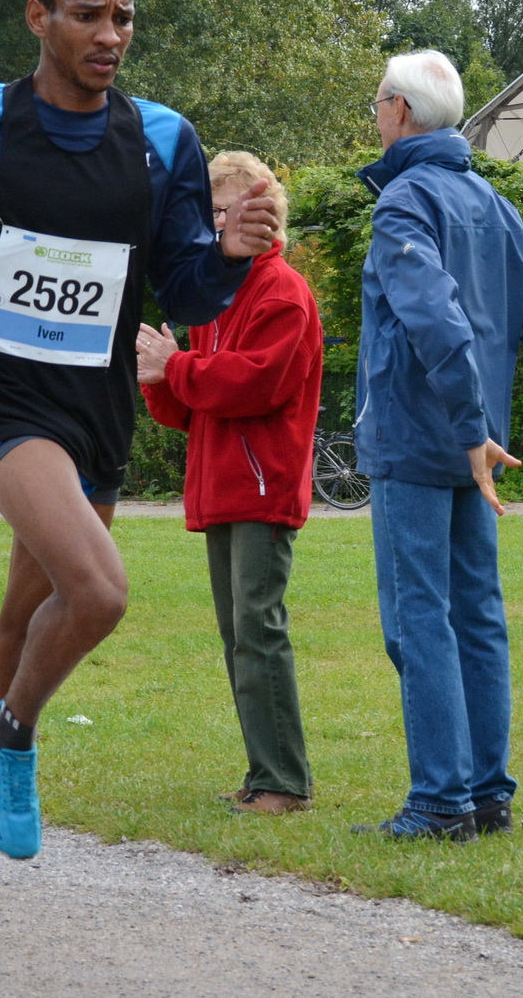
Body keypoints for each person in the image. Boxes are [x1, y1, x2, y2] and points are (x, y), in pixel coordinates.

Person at [0, 0, 279, 940]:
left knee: (19, 629)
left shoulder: (163, 142)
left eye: (124, 18)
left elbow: (178, 287)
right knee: (97, 591)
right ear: (37, 18)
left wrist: (224, 257)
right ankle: (12, 737)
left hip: (98, 410)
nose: (110, 35)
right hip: (4, 403)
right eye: (90, 15)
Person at [351, 50, 523, 842]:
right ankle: (488, 795)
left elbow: (437, 322)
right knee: (478, 616)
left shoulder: (402, 202)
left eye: (376, 105)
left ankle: (439, 802)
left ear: (399, 111)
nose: (375, 118)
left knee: (420, 621)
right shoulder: (495, 205)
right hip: (479, 449)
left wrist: (468, 430)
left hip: (425, 441)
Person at [136, 151, 322, 817]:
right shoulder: (215, 291)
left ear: (264, 216)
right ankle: (264, 773)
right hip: (222, 487)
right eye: (211, 212)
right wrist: (160, 380)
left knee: (257, 629)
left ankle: (283, 782)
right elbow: (196, 405)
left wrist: (177, 367)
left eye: (227, 210)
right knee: (237, 633)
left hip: (262, 488)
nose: (215, 223)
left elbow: (254, 383)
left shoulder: (283, 293)